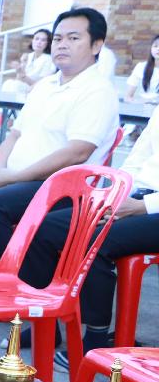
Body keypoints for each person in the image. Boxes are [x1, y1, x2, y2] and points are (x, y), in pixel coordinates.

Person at [0, 7, 120, 279]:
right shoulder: (45, 85)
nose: (62, 44)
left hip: (64, 189)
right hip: (18, 178)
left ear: (96, 45)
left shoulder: (98, 91)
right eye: (58, 38)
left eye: (74, 38)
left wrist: (15, 178)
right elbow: (15, 134)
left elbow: (78, 152)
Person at [21, 115, 159, 364]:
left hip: (152, 207)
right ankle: (44, 323)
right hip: (136, 197)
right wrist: (117, 197)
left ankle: (96, 338)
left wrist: (142, 206)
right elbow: (136, 161)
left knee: (96, 241)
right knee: (44, 226)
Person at [0, 29, 54, 95]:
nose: (39, 42)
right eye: (36, 39)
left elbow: (42, 84)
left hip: (36, 89)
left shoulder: (48, 59)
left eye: (43, 40)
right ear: (32, 40)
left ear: (47, 43)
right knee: (8, 83)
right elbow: (19, 79)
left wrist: (23, 76)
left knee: (15, 86)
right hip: (23, 86)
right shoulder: (28, 56)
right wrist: (21, 67)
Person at [125, 35, 159, 104]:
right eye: (155, 46)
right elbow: (128, 97)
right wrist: (140, 102)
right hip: (143, 107)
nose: (158, 49)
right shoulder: (141, 67)